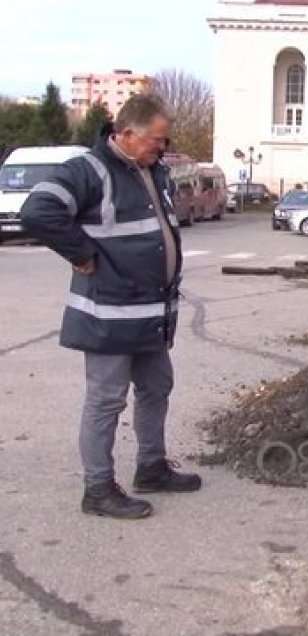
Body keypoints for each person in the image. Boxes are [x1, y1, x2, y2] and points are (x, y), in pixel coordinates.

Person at [20, 94, 202, 521]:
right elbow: (37, 212)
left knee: (157, 388)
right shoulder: (88, 169)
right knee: (106, 400)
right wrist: (81, 254)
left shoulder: (152, 171)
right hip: (109, 314)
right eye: (156, 139)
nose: (162, 146)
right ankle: (98, 488)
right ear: (125, 134)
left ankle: (152, 467)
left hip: (151, 313)